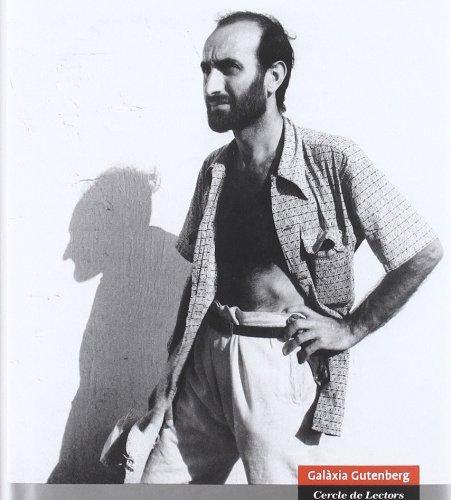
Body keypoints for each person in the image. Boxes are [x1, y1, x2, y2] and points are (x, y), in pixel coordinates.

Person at [100, 11, 443, 484]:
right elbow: (199, 281)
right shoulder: (215, 169)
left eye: (229, 68)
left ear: (274, 76)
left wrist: (351, 329)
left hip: (279, 362)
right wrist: (168, 382)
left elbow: (421, 251)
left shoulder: (331, 159)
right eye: (206, 69)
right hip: (206, 358)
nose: (211, 85)